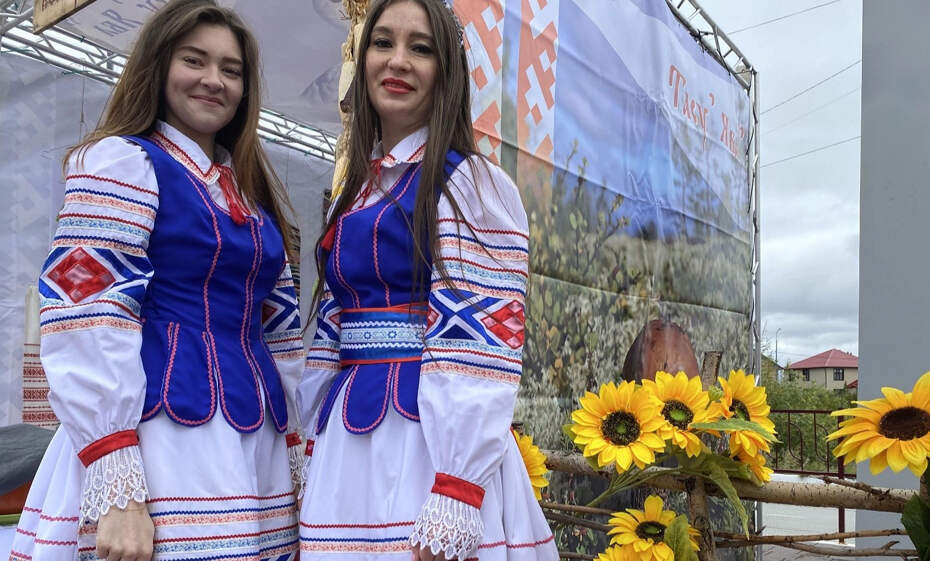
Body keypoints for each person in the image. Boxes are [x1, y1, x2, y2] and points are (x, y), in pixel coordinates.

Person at [9, 1, 304, 560]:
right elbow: (87, 308)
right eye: (194, 60)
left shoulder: (250, 196)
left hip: (254, 443)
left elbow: (281, 333)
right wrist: (118, 481)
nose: (214, 80)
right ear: (158, 65)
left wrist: (295, 447)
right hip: (161, 431)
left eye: (232, 70)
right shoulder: (122, 162)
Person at [295, 1, 557, 560]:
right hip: (349, 447)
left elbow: (482, 342)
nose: (398, 61)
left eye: (421, 48)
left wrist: (457, 487)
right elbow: (331, 334)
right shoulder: (355, 192)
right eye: (382, 43)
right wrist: (309, 439)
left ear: (447, 71)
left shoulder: (470, 184)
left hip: (428, 449)